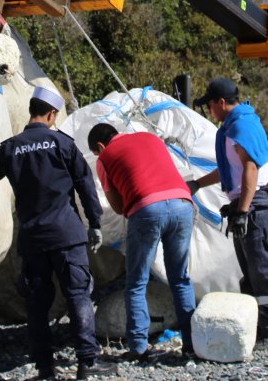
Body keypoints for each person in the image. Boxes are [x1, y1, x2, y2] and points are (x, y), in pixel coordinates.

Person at [0, 86, 117, 380]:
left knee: (37, 304)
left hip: (33, 239)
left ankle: (45, 368)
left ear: (31, 112)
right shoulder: (63, 144)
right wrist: (95, 223)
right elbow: (85, 186)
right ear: (51, 114)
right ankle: (87, 362)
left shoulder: (11, 148)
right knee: (78, 295)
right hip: (67, 235)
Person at [187, 77, 268, 346]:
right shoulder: (234, 126)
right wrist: (198, 184)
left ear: (221, 102)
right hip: (250, 204)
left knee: (264, 270)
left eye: (210, 105)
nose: (209, 111)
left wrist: (243, 211)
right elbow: (230, 170)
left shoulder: (241, 125)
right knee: (252, 272)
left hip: (258, 205)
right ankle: (259, 327)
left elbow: (250, 169)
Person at [86, 124, 197, 360]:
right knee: (180, 278)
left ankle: (138, 348)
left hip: (147, 209)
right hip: (183, 203)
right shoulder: (151, 137)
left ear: (100, 146)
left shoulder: (105, 158)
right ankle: (192, 343)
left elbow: (118, 207)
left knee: (137, 282)